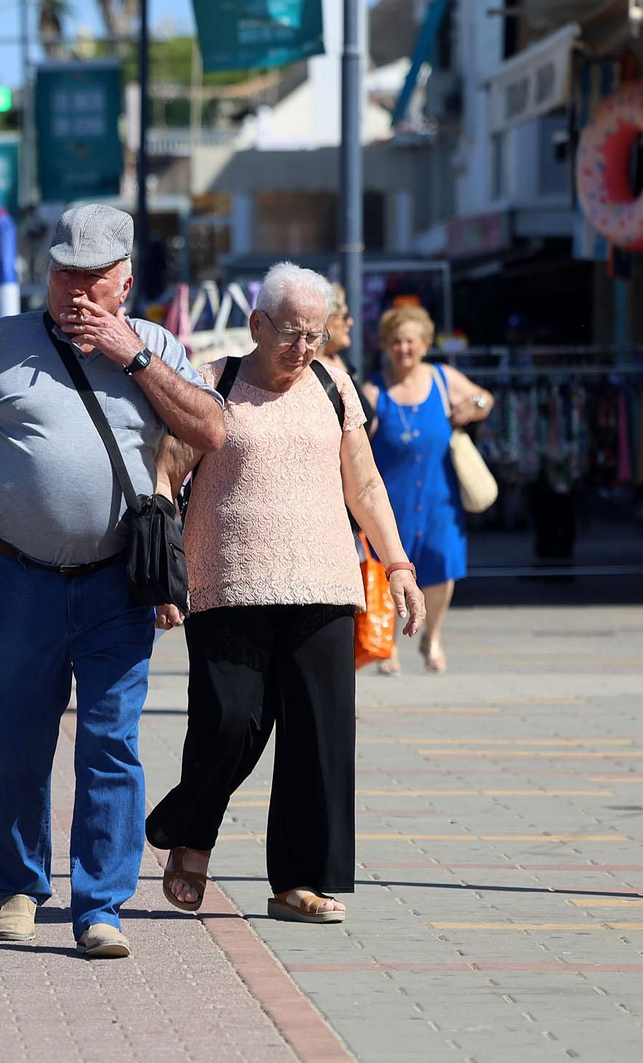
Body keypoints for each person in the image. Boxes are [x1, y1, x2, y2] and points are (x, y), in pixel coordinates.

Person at [0, 204, 227, 958]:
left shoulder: (158, 345)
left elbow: (212, 429)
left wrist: (133, 356)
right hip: (17, 579)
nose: (75, 290)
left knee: (111, 741)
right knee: (13, 734)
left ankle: (101, 905)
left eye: (92, 278)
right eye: (63, 273)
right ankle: (18, 886)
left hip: (120, 582)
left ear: (125, 281)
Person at [143, 262, 427, 926]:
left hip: (325, 580)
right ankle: (190, 831)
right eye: (291, 334)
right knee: (233, 720)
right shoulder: (214, 383)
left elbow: (366, 486)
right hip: (228, 581)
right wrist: (161, 565)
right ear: (257, 325)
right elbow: (167, 469)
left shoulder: (333, 384)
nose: (303, 348)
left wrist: (399, 565)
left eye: (315, 334)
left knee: (318, 734)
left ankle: (297, 880)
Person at [362, 304, 494, 674]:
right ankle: (388, 645)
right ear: (386, 345)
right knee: (390, 569)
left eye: (411, 342)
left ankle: (430, 635)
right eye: (396, 342)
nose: (404, 349)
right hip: (392, 499)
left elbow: (485, 398)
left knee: (441, 567)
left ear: (423, 344)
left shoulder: (442, 378)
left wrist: (475, 405)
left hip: (439, 497)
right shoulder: (373, 390)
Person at [318, 283, 375, 432]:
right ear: (327, 322)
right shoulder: (308, 370)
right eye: (345, 316)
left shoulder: (343, 362)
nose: (350, 322)